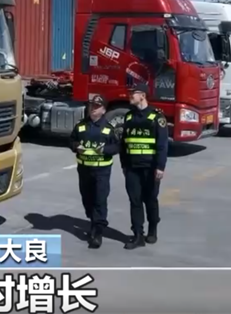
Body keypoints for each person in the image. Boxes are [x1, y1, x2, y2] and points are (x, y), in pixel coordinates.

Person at [120, 81, 169, 249]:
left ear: (142, 96)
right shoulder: (128, 116)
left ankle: (152, 229)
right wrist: (124, 165)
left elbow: (162, 145)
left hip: (150, 168)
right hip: (132, 168)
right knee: (135, 201)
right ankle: (138, 235)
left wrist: (160, 167)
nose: (130, 95)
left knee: (150, 199)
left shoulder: (156, 117)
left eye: (133, 93)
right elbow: (123, 144)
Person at [69, 95, 120, 249]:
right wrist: (76, 147)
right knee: (87, 200)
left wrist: (104, 149)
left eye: (97, 107)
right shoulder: (80, 126)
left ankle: (97, 232)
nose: (93, 109)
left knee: (99, 200)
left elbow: (116, 147)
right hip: (84, 170)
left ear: (103, 110)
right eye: (92, 106)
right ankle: (93, 221)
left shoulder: (109, 129)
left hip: (101, 171)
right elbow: (71, 140)